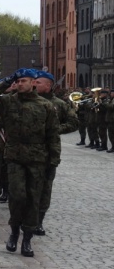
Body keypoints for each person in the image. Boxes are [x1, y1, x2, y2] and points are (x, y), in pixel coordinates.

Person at [0, 68, 60, 257]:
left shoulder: (45, 106)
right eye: (18, 81)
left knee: (33, 198)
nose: (20, 84)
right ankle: (14, 232)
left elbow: (53, 136)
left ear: (33, 83)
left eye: (24, 81)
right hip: (15, 156)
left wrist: (53, 161)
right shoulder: (8, 102)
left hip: (38, 158)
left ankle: (27, 238)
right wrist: (6, 82)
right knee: (17, 196)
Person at [32, 70, 78, 236]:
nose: (34, 85)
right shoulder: (26, 101)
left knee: (45, 187)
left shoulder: (59, 104)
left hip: (49, 151)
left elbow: (73, 122)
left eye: (38, 83)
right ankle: (25, 218)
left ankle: (39, 221)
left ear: (48, 85)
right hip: (26, 151)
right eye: (34, 82)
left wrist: (55, 129)